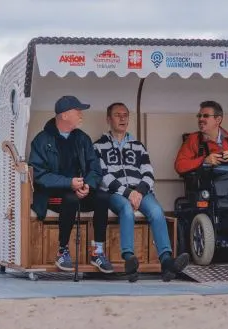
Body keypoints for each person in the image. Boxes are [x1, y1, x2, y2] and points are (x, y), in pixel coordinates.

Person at [94, 102, 189, 282]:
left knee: (156, 211)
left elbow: (148, 173)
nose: (122, 118)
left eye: (125, 115)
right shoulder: (98, 146)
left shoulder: (138, 146)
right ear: (108, 119)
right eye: (117, 115)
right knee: (127, 210)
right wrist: (128, 193)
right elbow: (103, 177)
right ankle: (129, 258)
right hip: (116, 194)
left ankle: (166, 260)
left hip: (141, 192)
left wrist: (138, 191)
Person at [28, 95, 113, 274]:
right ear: (65, 115)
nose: (82, 115)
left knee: (103, 197)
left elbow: (95, 168)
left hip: (79, 190)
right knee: (70, 199)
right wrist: (69, 183)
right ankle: (62, 250)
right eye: (78, 111)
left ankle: (97, 251)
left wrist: (87, 185)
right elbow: (39, 175)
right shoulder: (41, 140)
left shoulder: (82, 138)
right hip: (53, 196)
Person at [174, 100, 228, 175]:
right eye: (199, 116)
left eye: (206, 116)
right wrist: (204, 161)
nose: (200, 119)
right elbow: (179, 166)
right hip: (208, 189)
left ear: (218, 120)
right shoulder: (193, 140)